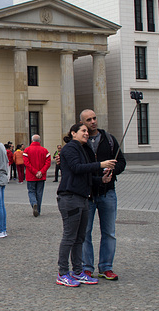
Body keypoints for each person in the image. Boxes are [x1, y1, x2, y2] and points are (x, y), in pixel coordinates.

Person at [56, 123, 115, 287]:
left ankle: (77, 271)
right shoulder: (70, 148)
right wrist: (100, 165)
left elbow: (84, 175)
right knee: (69, 237)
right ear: (73, 133)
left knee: (79, 238)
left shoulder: (81, 148)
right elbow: (76, 168)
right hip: (70, 197)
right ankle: (62, 273)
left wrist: (100, 180)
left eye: (87, 131)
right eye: (83, 131)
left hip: (82, 197)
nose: (87, 133)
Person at [79, 109, 127, 281]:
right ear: (82, 123)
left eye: (94, 118)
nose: (93, 122)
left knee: (109, 232)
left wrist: (113, 173)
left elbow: (121, 162)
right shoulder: (80, 143)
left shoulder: (109, 139)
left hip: (108, 193)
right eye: (88, 120)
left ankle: (106, 267)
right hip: (88, 194)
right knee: (85, 233)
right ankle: (86, 268)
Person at [23, 135, 51, 217]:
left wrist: (35, 172)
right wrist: (41, 172)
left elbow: (26, 163)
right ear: (40, 141)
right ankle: (38, 210)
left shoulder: (27, 150)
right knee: (39, 192)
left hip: (31, 175)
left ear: (32, 140)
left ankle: (34, 203)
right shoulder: (45, 150)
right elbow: (48, 163)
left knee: (31, 191)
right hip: (41, 176)